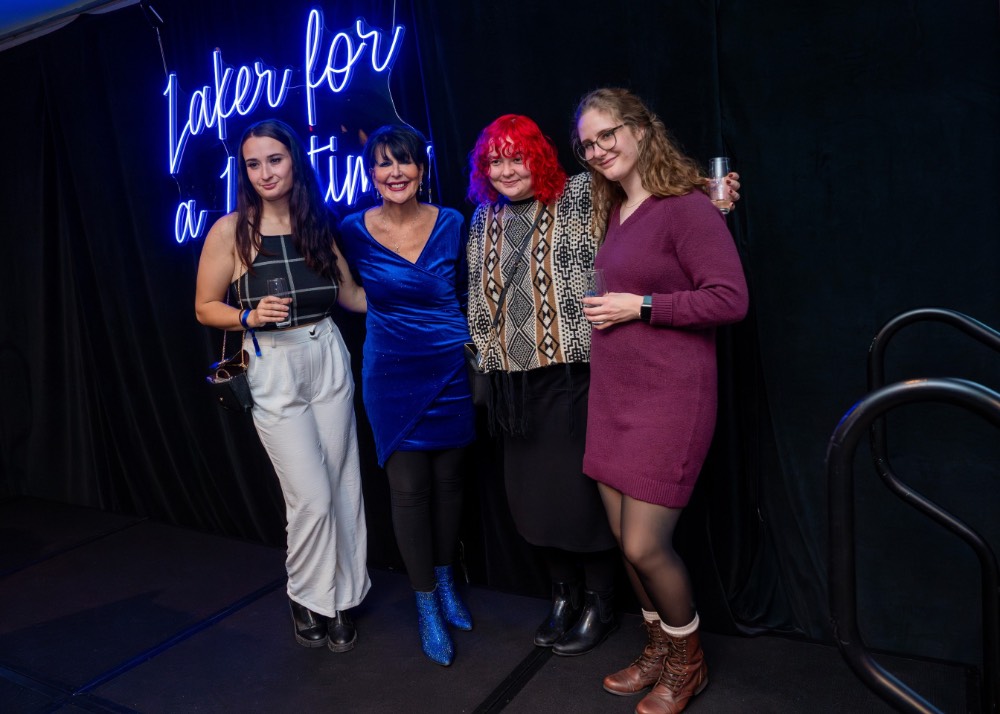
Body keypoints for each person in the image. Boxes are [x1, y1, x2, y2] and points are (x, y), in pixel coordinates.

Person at [466, 115, 741, 659]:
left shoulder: (577, 194)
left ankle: (600, 603)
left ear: (539, 158)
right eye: (495, 160)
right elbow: (478, 290)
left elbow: (649, 196)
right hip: (513, 385)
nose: (506, 169)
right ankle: (564, 596)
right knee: (533, 504)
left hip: (578, 373)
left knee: (583, 504)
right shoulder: (482, 217)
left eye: (517, 157)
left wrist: (710, 196)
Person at [574, 88, 749, 714]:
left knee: (648, 546)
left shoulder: (686, 208)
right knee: (626, 545)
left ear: (643, 130)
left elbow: (730, 299)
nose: (597, 150)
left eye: (607, 135)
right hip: (615, 397)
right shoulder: (617, 210)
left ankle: (688, 662)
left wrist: (641, 305)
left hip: (671, 399)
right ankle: (656, 647)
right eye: (587, 143)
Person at [195, 119, 371, 653]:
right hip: (272, 361)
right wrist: (248, 316)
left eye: (274, 159)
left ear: (294, 160)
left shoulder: (317, 220)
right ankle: (308, 597)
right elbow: (205, 308)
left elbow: (352, 297)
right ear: (244, 172)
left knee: (343, 484)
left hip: (326, 351)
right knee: (310, 496)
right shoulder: (232, 230)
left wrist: (418, 288)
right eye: (253, 163)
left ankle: (342, 598)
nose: (265, 172)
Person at [338, 124, 476, 667]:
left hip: (448, 368)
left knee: (449, 486)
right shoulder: (351, 228)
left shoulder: (452, 222)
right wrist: (397, 318)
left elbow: (469, 288)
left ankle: (445, 584)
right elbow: (348, 292)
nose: (395, 172)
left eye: (405, 162)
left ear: (421, 168)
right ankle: (424, 604)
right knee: (408, 491)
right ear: (371, 174)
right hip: (391, 372)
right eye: (383, 164)